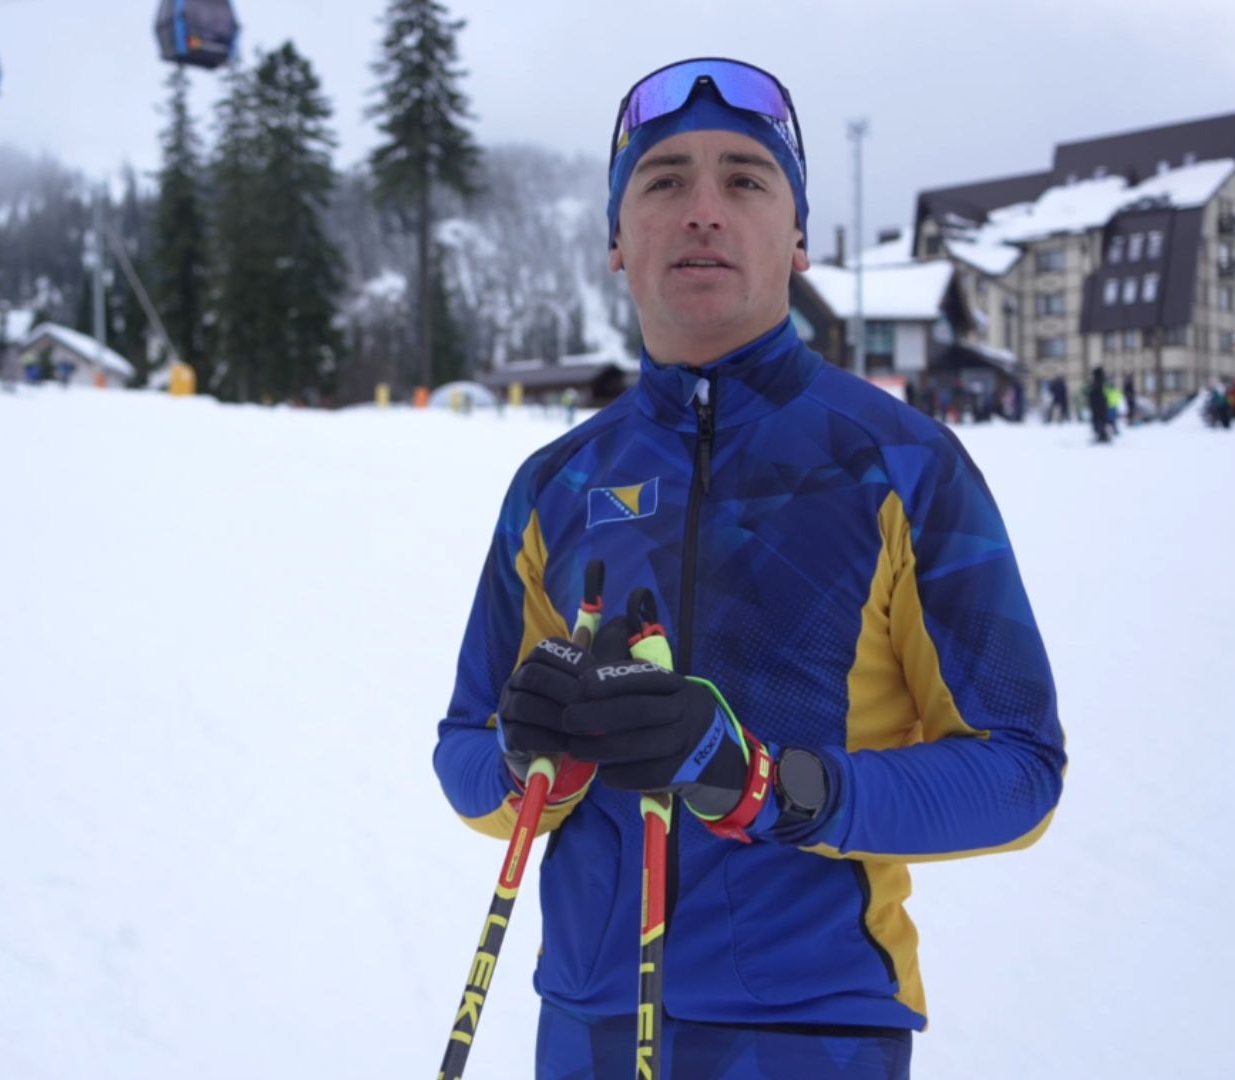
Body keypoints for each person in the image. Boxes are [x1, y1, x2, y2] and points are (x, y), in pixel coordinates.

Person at [432, 58, 1066, 1080]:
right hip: (585, 1026)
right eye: (665, 179)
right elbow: (465, 755)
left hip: (815, 1031)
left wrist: (771, 786)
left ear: (799, 236)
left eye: (746, 179)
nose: (703, 212)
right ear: (615, 238)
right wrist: (525, 760)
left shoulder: (902, 466)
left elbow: (1019, 770)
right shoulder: (555, 484)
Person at [1089, 365, 1114, 442]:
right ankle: (1102, 435)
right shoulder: (1103, 381)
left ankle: (1102, 435)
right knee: (1102, 420)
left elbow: (1095, 393)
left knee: (1099, 420)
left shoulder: (1097, 382)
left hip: (1098, 404)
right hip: (1102, 404)